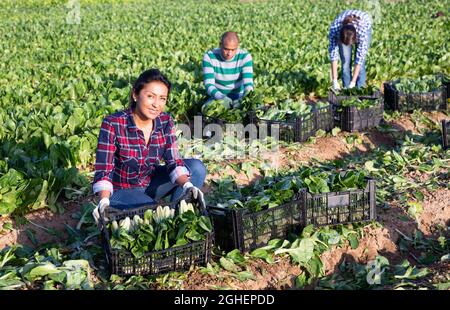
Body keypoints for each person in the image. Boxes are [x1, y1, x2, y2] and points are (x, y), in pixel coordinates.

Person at [92, 69, 206, 223]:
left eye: (162, 98)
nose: (156, 104)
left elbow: (174, 161)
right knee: (151, 212)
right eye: (150, 96)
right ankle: (149, 209)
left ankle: (180, 216)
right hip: (122, 190)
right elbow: (104, 169)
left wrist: (187, 186)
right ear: (135, 94)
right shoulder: (113, 123)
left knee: (197, 168)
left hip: (150, 182)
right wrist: (104, 201)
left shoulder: (165, 121)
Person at [201, 31, 254, 111]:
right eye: (226, 49)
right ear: (220, 45)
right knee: (207, 110)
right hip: (217, 97)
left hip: (239, 95)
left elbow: (248, 84)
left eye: (233, 50)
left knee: (254, 108)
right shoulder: (209, 57)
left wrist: (244, 98)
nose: (229, 53)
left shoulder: (245, 57)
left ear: (237, 47)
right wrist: (221, 97)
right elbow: (208, 85)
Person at [329, 10, 372, 90]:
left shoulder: (362, 31)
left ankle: (360, 89)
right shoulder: (335, 29)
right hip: (342, 28)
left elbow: (359, 59)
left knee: (361, 64)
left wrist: (353, 82)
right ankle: (347, 89)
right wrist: (334, 80)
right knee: (345, 62)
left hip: (365, 24)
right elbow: (333, 55)